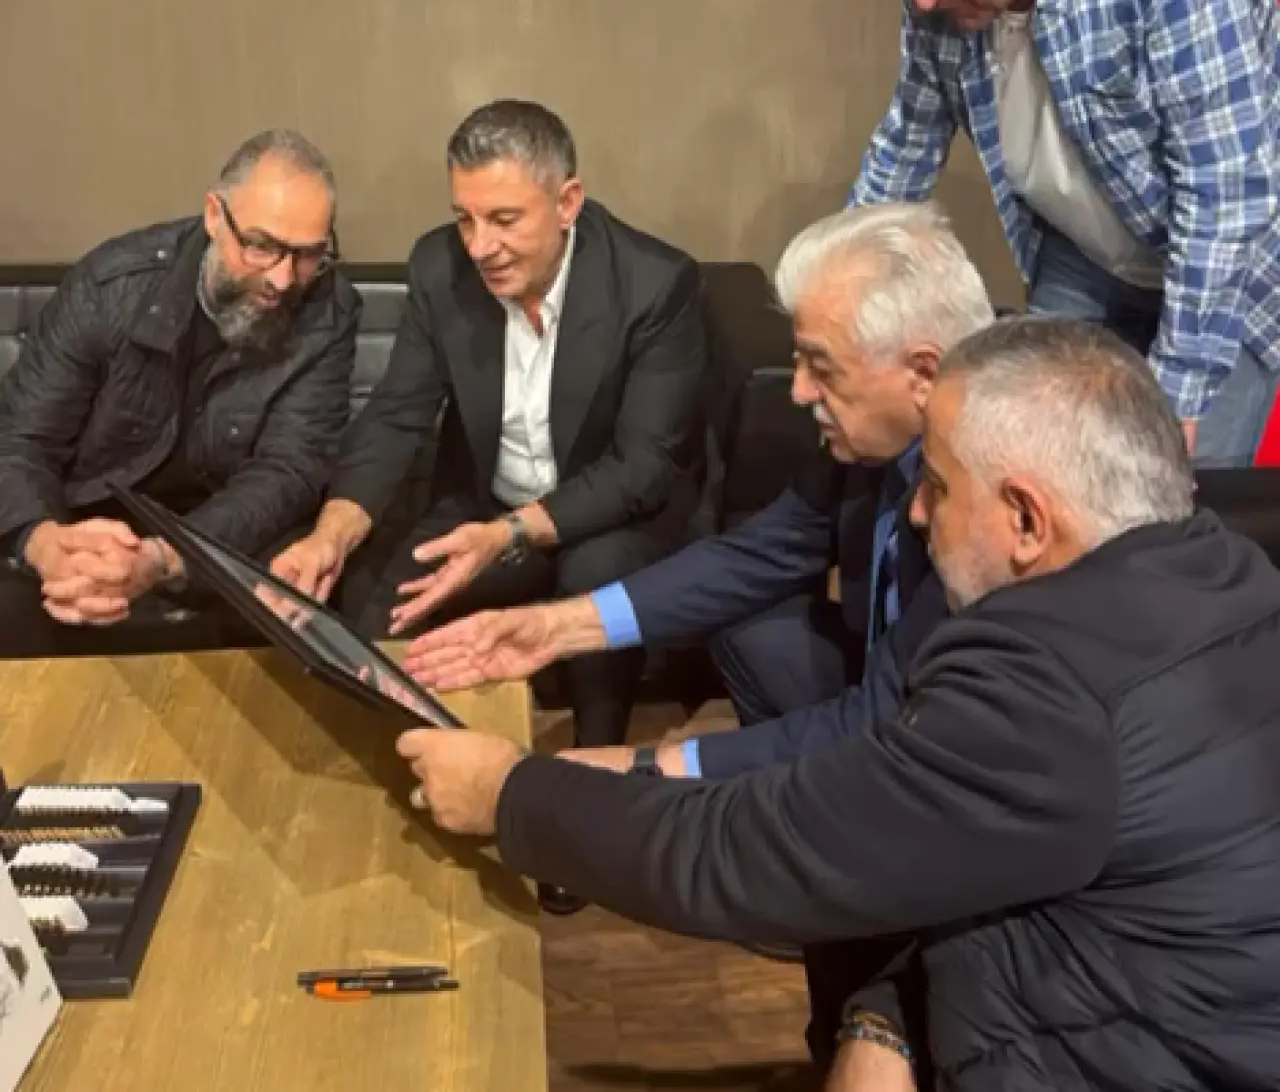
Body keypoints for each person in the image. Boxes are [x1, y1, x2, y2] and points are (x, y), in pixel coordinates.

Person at [398, 317, 1280, 1091]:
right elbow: (992, 862)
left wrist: (511, 794)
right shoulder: (1231, 570)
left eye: (937, 485)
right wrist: (883, 1016)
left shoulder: (1044, 686)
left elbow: (748, 851)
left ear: (1026, 519)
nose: (919, 513)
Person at [403, 201, 991, 1043]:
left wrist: (629, 769)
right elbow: (761, 552)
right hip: (889, 706)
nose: (797, 389)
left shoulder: (983, 518)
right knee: (755, 634)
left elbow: (877, 725)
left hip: (948, 785)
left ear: (923, 373)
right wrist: (555, 627)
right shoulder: (878, 443)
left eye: (820, 366)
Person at [274, 100, 706, 782]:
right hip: (485, 504)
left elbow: (643, 468)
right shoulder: (439, 267)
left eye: (504, 220)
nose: (479, 246)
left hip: (613, 515)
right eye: (465, 218)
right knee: (376, 601)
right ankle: (410, 769)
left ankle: (589, 770)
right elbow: (395, 416)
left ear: (567, 202)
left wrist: (510, 533)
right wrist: (331, 535)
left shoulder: (655, 284)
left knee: (594, 571)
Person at [849, 0, 1280, 466]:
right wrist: (843, 291)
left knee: (1171, 495)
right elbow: (906, 144)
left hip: (1224, 273)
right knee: (1030, 463)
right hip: (1084, 253)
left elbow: (1224, 189)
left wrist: (1182, 392)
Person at [0, 130, 358, 654]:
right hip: (84, 526)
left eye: (308, 255)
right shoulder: (112, 285)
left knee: (297, 606)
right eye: (261, 246)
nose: (283, 279)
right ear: (214, 215)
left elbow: (288, 470)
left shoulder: (330, 310)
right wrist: (46, 543)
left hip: (224, 539)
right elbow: (21, 441)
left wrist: (164, 557)